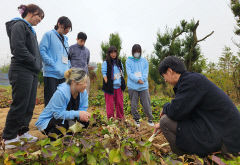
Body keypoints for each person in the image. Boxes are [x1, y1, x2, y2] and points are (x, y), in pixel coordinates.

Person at [154, 56, 240, 156]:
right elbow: (183, 111)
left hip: (227, 140)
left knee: (165, 121)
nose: (164, 80)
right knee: (168, 121)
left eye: (163, 75)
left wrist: (165, 108)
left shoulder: (190, 82)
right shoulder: (191, 80)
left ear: (169, 71)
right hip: (222, 131)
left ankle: (184, 157)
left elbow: (176, 111)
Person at [2, 4, 44, 149]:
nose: (40, 20)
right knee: (20, 103)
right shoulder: (18, 25)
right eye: (39, 16)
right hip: (21, 70)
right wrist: (35, 62)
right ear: (32, 13)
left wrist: (38, 65)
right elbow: (18, 48)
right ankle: (9, 137)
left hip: (31, 71)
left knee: (29, 103)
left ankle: (22, 132)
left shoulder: (30, 30)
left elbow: (34, 51)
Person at [35, 68, 91, 141]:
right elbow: (57, 114)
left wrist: (82, 115)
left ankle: (69, 136)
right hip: (50, 121)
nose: (86, 85)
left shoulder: (83, 92)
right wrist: (78, 113)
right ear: (74, 82)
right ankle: (52, 140)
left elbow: (83, 109)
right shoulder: (61, 92)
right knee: (61, 124)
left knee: (85, 122)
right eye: (84, 82)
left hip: (67, 119)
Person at [39, 16, 72, 107]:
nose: (67, 30)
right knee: (51, 100)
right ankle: (50, 121)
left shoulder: (65, 40)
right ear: (59, 24)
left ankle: (59, 120)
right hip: (51, 74)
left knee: (61, 99)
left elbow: (67, 57)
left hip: (63, 75)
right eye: (66, 27)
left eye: (69, 28)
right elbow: (42, 51)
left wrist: (68, 69)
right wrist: (53, 64)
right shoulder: (48, 35)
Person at [126, 44, 154, 127]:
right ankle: (136, 119)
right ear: (132, 52)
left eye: (138, 52)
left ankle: (150, 119)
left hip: (143, 86)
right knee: (134, 104)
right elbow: (129, 73)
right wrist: (137, 80)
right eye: (135, 52)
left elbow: (146, 72)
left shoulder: (144, 61)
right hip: (133, 86)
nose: (137, 53)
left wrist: (143, 79)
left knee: (146, 104)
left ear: (140, 52)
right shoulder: (128, 61)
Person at [102, 46, 126, 120]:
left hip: (118, 86)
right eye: (111, 52)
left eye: (114, 52)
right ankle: (111, 119)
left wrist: (120, 78)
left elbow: (122, 72)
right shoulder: (106, 62)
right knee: (110, 105)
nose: (113, 54)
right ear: (109, 54)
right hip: (110, 87)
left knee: (119, 103)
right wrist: (107, 81)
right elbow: (104, 73)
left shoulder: (119, 62)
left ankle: (120, 118)